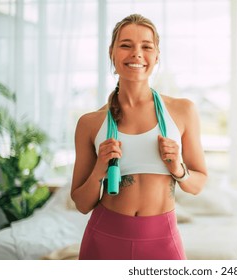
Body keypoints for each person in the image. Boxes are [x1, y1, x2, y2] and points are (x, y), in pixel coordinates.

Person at [70, 13, 208, 260]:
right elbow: (81, 204)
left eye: (146, 46)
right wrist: (99, 169)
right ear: (112, 52)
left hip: (162, 241)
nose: (136, 53)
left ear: (156, 56)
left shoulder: (182, 111)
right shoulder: (89, 124)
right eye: (126, 45)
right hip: (104, 239)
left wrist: (178, 168)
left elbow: (198, 184)